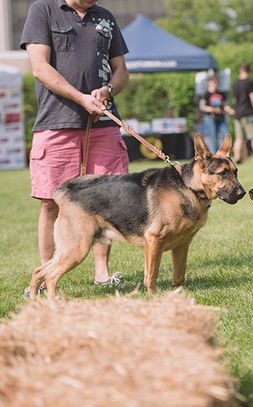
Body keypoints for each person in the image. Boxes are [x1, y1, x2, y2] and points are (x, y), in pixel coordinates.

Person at [21, 0, 129, 289]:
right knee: (50, 202)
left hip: (104, 124)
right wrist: (81, 98)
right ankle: (44, 278)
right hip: (56, 121)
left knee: (106, 200)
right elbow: (39, 67)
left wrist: (109, 89)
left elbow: (121, 71)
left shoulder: (105, 16)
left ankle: (102, 275)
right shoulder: (42, 10)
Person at [232, 63, 253, 163]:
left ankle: (237, 158)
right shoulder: (249, 82)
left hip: (238, 114)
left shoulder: (235, 83)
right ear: (248, 71)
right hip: (248, 113)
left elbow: (234, 100)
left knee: (239, 138)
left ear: (240, 70)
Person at [199, 76, 234, 153]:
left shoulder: (221, 93)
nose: (214, 84)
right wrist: (213, 109)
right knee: (213, 137)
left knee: (226, 135)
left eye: (215, 82)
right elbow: (202, 107)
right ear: (209, 83)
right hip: (210, 118)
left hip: (221, 118)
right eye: (212, 82)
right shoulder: (206, 94)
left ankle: (224, 154)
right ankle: (214, 156)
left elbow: (225, 105)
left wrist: (230, 110)